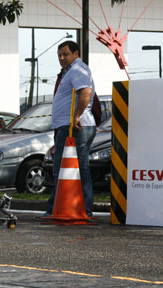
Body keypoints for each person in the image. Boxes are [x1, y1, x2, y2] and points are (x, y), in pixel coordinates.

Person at [46, 40, 96, 216]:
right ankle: (62, 208)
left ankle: (81, 209)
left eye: (66, 54)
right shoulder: (69, 72)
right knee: (64, 168)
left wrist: (76, 116)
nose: (62, 58)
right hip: (66, 126)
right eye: (59, 55)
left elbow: (86, 92)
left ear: (76, 54)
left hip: (75, 126)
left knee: (74, 168)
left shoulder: (78, 69)